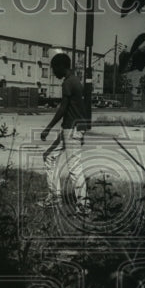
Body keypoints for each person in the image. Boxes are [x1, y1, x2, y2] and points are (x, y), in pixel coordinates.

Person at [39, 52, 90, 213]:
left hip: (71, 130)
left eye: (54, 69)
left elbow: (63, 108)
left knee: (74, 167)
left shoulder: (68, 83)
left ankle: (84, 205)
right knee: (49, 156)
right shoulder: (76, 81)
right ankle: (55, 197)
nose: (54, 72)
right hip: (71, 129)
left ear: (62, 67)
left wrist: (47, 128)